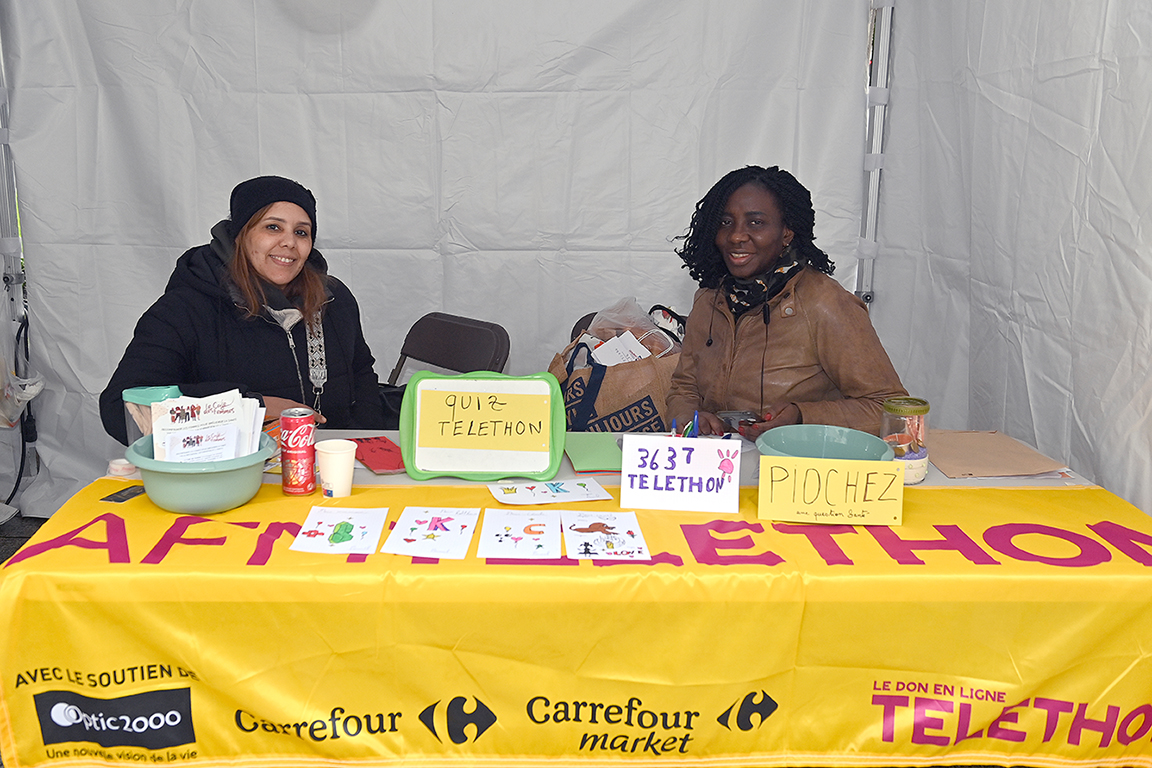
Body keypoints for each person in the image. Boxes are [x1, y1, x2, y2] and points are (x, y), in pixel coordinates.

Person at [100, 175, 385, 445]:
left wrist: (359, 447)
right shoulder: (183, 311)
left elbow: (362, 378)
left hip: (331, 467)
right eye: (273, 227)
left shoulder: (333, 300)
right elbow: (121, 410)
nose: (289, 242)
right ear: (240, 235)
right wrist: (249, 407)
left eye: (301, 232)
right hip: (232, 472)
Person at [666, 165, 907, 439]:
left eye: (756, 223)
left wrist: (802, 418)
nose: (736, 236)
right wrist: (687, 417)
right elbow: (684, 388)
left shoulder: (826, 303)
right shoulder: (709, 298)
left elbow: (888, 408)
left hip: (796, 462)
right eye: (725, 222)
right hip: (721, 462)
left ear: (786, 233)